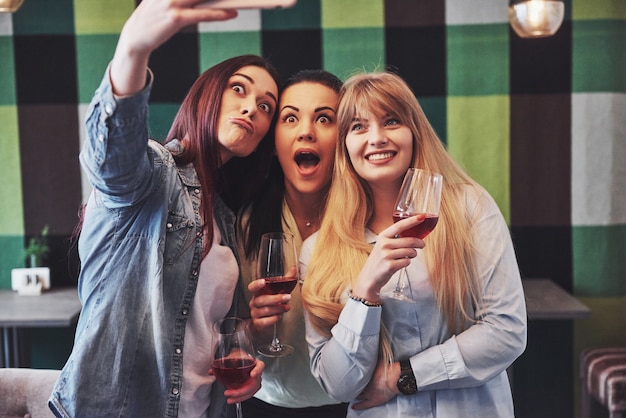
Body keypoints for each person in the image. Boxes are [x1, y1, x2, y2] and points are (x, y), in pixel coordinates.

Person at [48, 1, 281, 417]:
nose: (251, 108)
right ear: (208, 94)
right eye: (239, 89)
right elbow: (110, 161)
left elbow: (199, 331)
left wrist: (250, 339)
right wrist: (133, 50)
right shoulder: (156, 172)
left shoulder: (225, 216)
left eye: (266, 106)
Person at [300, 71, 527, 417]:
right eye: (358, 127)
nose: (376, 138)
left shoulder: (471, 208)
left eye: (391, 121)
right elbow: (337, 385)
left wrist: (402, 377)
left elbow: (506, 332)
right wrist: (364, 294)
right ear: (345, 146)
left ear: (414, 132)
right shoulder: (317, 250)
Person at [236, 70, 349, 417]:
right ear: (273, 142)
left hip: (352, 403)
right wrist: (252, 329)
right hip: (264, 402)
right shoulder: (241, 223)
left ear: (346, 136)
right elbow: (210, 334)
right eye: (290, 118)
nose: (306, 131)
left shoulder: (369, 225)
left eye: (324, 119)